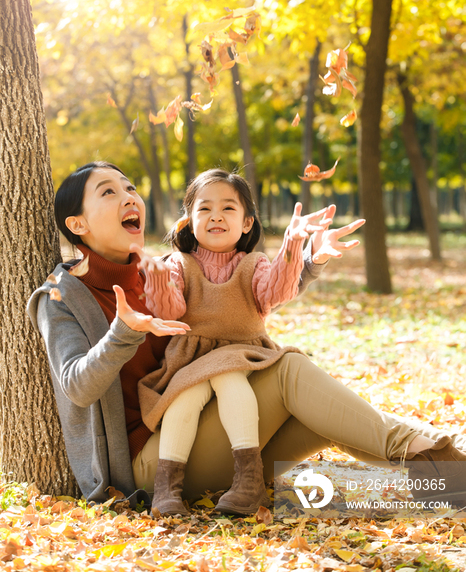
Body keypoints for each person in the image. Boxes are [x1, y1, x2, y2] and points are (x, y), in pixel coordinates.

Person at [27, 162, 466, 512]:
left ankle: (445, 479)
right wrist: (124, 331)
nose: (129, 197)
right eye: (109, 192)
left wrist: (306, 258)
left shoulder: (160, 270)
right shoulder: (62, 298)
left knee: (324, 414)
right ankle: (442, 458)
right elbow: (77, 388)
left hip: (214, 421)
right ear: (78, 224)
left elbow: (240, 297)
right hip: (153, 463)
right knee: (290, 369)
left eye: (130, 188)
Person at [135, 169, 341, 516]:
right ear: (188, 221)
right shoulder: (178, 265)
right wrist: (156, 281)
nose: (216, 215)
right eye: (204, 209)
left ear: (247, 223)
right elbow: (172, 309)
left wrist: (292, 244)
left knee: (230, 379)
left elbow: (276, 291)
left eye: (228, 208)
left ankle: (249, 480)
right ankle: (166, 489)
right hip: (191, 361)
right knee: (182, 401)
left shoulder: (254, 264)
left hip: (243, 356)